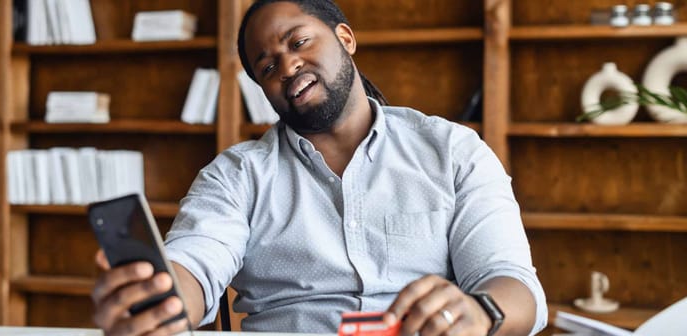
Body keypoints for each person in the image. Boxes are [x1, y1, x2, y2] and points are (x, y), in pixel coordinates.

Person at [91, 0, 547, 335]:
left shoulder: (452, 150)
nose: (287, 65)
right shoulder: (236, 175)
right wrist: (161, 302)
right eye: (267, 66)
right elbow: (195, 263)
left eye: (299, 41)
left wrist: (481, 314)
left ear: (345, 39)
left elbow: (512, 284)